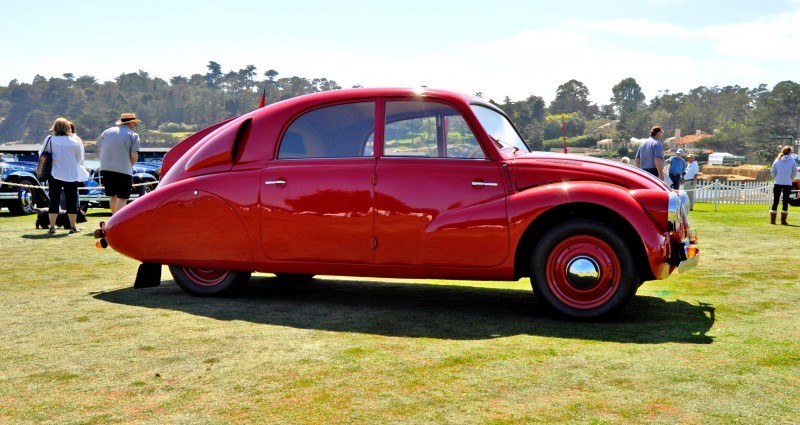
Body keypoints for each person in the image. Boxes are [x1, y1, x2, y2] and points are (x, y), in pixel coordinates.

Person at [40, 117, 84, 234]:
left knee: (54, 201)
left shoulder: (50, 139)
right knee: (72, 201)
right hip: (71, 174)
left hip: (54, 174)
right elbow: (80, 159)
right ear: (68, 128)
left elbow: (42, 154)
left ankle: (52, 227)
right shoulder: (76, 141)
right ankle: (73, 227)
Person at [97, 113, 141, 214]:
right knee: (123, 197)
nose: (135, 126)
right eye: (135, 124)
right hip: (124, 170)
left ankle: (113, 218)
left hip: (106, 169)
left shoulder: (106, 132)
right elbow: (134, 155)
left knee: (113, 196)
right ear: (130, 124)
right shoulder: (133, 135)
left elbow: (99, 150)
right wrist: (129, 165)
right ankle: (118, 222)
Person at [770, 145, 798, 225]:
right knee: (785, 201)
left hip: (778, 182)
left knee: (775, 201)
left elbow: (773, 172)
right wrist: (790, 178)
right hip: (787, 183)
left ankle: (773, 220)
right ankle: (783, 220)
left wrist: (777, 177)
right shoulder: (792, 161)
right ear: (790, 152)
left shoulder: (777, 161)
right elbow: (794, 172)